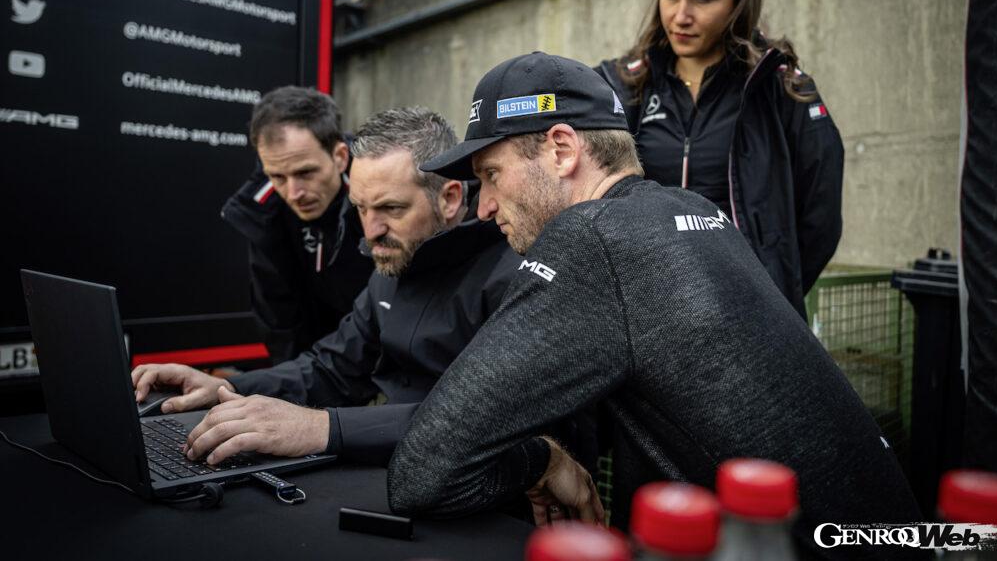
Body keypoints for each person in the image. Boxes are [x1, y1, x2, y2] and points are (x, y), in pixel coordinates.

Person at [388, 53, 923, 559]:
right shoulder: (690, 209)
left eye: (492, 174)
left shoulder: (593, 237)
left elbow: (423, 470)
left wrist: (541, 459)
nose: (484, 207)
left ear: (561, 149)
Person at [133, 108, 519, 465]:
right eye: (361, 209)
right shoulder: (395, 258)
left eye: (391, 209)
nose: (371, 231)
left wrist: (320, 428)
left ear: (451, 198)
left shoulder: (507, 276)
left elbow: (478, 419)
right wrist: (226, 388)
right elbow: (332, 370)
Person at [594, 0, 844, 319]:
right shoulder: (625, 84)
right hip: (647, 315)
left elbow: (821, 218)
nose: (680, 15)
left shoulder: (780, 88)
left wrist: (768, 291)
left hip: (747, 319)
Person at [221, 86, 374, 363]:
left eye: (306, 173)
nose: (293, 193)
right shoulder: (260, 213)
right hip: (315, 372)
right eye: (277, 176)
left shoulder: (382, 188)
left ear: (339, 157)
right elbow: (280, 324)